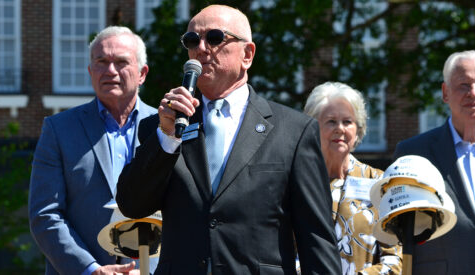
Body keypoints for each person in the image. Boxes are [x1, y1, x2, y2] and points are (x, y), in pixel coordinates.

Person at [116, 4, 341, 275]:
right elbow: (132, 204)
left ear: (247, 54)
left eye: (214, 38)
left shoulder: (293, 131)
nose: (201, 48)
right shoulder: (164, 127)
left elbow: (316, 238)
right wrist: (166, 138)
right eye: (191, 40)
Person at [28, 26, 157, 275]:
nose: (110, 71)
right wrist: (90, 269)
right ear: (90, 71)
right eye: (101, 61)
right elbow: (45, 214)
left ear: (142, 74)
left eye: (121, 62)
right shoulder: (59, 130)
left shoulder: (167, 129)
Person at [394, 50, 475, 275]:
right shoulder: (413, 153)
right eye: (463, 85)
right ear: (446, 93)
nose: (472, 93)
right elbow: (398, 231)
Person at [303, 82, 402, 275]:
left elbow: (396, 258)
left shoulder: (379, 182)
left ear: (358, 129)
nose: (340, 129)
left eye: (347, 122)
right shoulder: (298, 182)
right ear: (313, 127)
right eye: (331, 121)